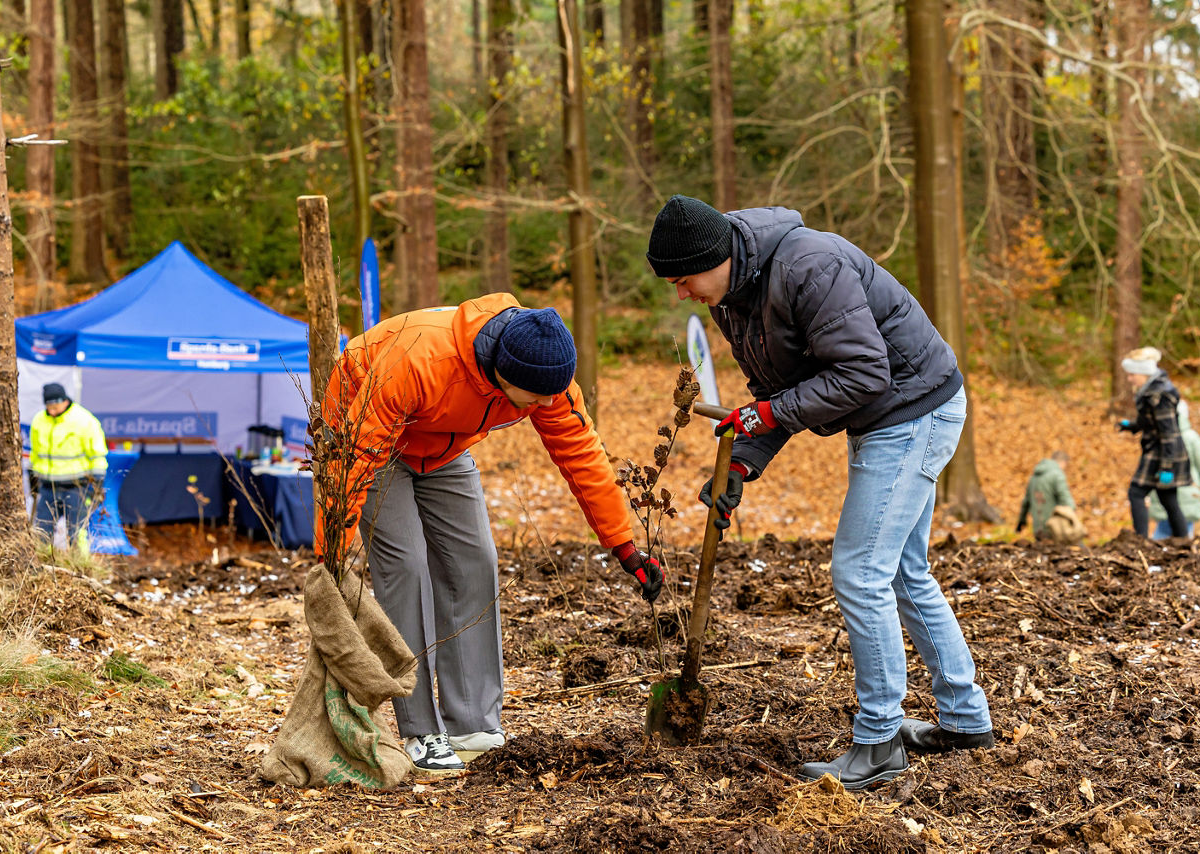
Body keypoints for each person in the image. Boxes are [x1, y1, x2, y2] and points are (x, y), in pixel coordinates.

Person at [646, 195, 993, 790]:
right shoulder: (734, 297)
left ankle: (880, 742)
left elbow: (862, 373)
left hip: (913, 411)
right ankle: (964, 721)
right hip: (883, 416)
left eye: (684, 280)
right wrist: (744, 464)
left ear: (717, 256)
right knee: (904, 572)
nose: (681, 293)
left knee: (860, 572)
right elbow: (773, 390)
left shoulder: (810, 266)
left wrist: (760, 418)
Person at [315, 295, 662, 776]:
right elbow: (356, 459)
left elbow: (582, 454)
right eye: (535, 398)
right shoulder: (420, 362)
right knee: (407, 566)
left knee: (475, 560)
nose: (545, 406)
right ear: (501, 372)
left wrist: (623, 545)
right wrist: (330, 553)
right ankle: (420, 729)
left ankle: (473, 722)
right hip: (369, 434)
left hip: (444, 444)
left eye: (551, 397)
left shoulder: (545, 376)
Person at [1117, 347, 1191, 539]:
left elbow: (1169, 433)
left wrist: (1167, 467)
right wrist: (1132, 426)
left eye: (1132, 374)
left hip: (1162, 452)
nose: (1129, 379)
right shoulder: (1150, 392)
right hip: (1158, 450)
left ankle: (1140, 540)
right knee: (1168, 499)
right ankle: (1183, 539)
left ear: (1144, 373)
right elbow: (1150, 422)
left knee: (1136, 492)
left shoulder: (1159, 396)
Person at [28, 383, 108, 549]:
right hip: (48, 487)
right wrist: (33, 477)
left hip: (76, 487)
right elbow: (35, 453)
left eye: (55, 406)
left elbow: (97, 454)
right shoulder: (39, 421)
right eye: (49, 407)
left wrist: (97, 482)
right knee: (42, 531)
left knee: (77, 533)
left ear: (64, 401)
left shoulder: (84, 421)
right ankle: (42, 565)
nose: (52, 411)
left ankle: (81, 568)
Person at [1146, 400, 1200, 539]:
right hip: (1189, 491)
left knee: (1165, 530)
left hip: (1162, 491)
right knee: (1182, 533)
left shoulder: (1157, 436)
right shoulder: (1192, 438)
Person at [1015, 451, 1081, 542]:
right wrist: (1073, 516)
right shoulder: (1057, 475)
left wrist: (1021, 521)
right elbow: (1065, 498)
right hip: (1054, 528)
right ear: (1063, 462)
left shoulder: (1033, 477)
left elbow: (1026, 502)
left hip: (1038, 528)